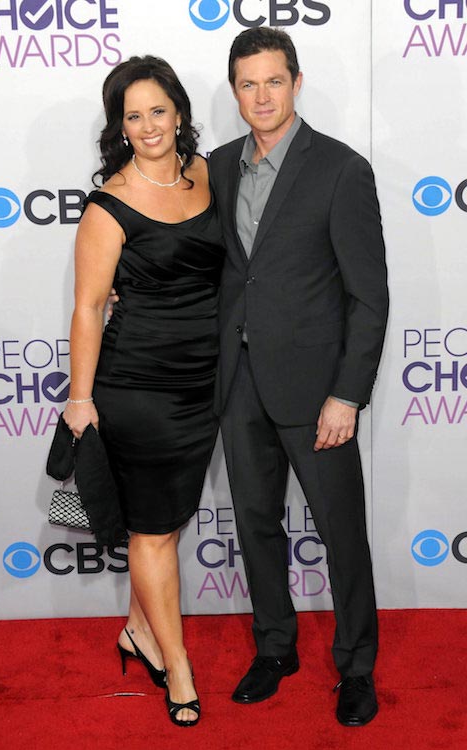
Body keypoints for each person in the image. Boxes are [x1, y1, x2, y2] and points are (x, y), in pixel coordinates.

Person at [208, 27, 389, 726]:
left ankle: (357, 668)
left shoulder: (342, 170)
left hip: (317, 391)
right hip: (239, 382)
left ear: (297, 81)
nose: (261, 96)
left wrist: (346, 393)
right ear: (234, 91)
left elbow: (368, 296)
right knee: (254, 524)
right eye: (248, 84)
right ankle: (275, 647)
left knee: (341, 530)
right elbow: (217, 268)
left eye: (273, 81)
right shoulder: (219, 167)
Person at [63, 55, 224, 728]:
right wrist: (79, 399)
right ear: (120, 128)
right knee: (153, 534)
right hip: (140, 387)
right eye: (134, 115)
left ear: (179, 113)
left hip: (207, 384)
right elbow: (88, 307)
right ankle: (176, 665)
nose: (149, 124)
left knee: (167, 523)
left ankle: (137, 628)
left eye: (159, 109)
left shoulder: (208, 174)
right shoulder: (110, 204)